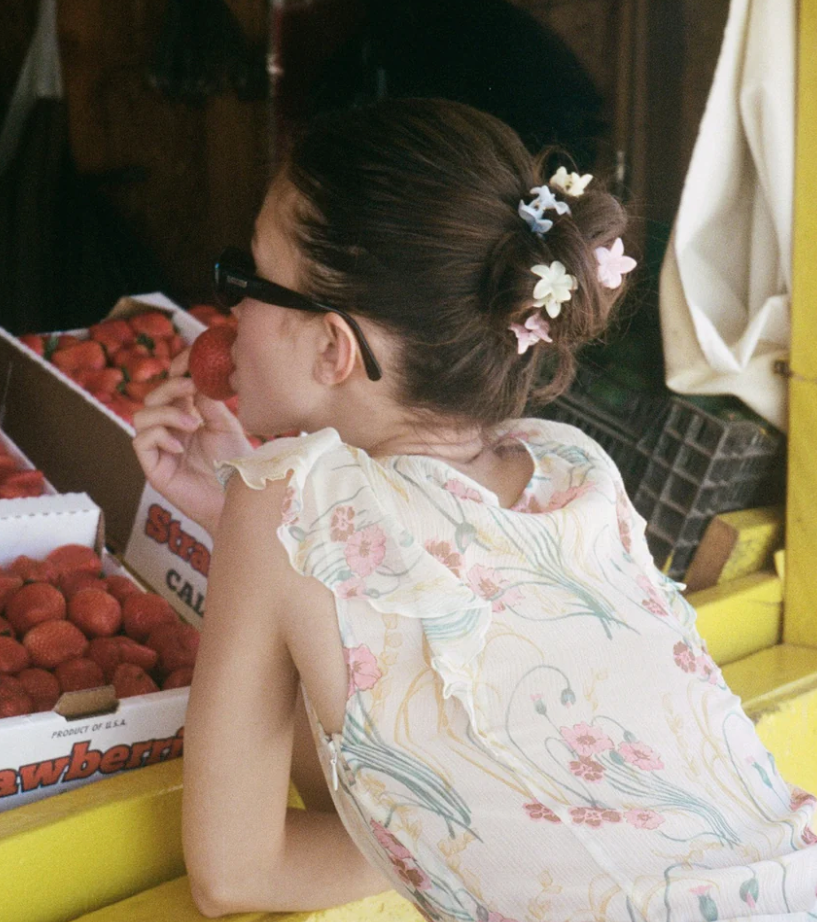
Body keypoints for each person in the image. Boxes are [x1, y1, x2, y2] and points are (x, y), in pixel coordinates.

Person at [132, 98, 817, 921]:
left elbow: (237, 878)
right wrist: (239, 529)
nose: (231, 310)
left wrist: (243, 525)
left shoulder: (282, 501)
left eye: (246, 277)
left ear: (332, 348)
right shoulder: (573, 469)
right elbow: (412, 781)